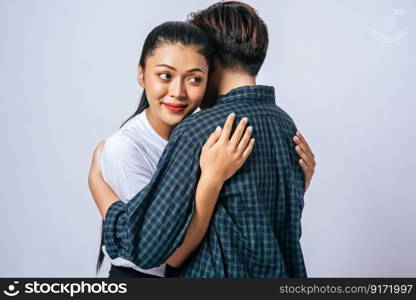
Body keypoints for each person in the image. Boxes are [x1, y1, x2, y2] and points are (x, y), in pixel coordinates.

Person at [90, 1, 316, 277]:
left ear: (211, 59)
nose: (180, 90)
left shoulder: (199, 130)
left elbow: (150, 249)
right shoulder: (285, 125)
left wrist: (97, 185)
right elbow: (264, 221)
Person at [89, 21, 257, 277]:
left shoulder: (209, 136)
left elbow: (236, 217)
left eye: (194, 79)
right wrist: (212, 180)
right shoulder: (125, 148)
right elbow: (170, 255)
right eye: (165, 76)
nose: (178, 92)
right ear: (141, 75)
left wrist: (298, 179)